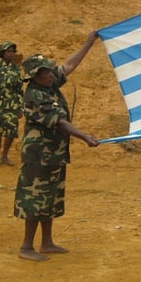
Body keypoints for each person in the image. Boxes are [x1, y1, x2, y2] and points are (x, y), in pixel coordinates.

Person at [13, 31, 100, 262]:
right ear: (35, 76)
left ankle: (47, 242)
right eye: (45, 72)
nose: (51, 74)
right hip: (38, 156)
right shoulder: (35, 95)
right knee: (35, 200)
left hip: (53, 155)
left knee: (49, 198)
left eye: (50, 71)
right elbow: (60, 122)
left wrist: (89, 43)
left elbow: (69, 65)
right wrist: (85, 137)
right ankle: (26, 247)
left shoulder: (48, 85)